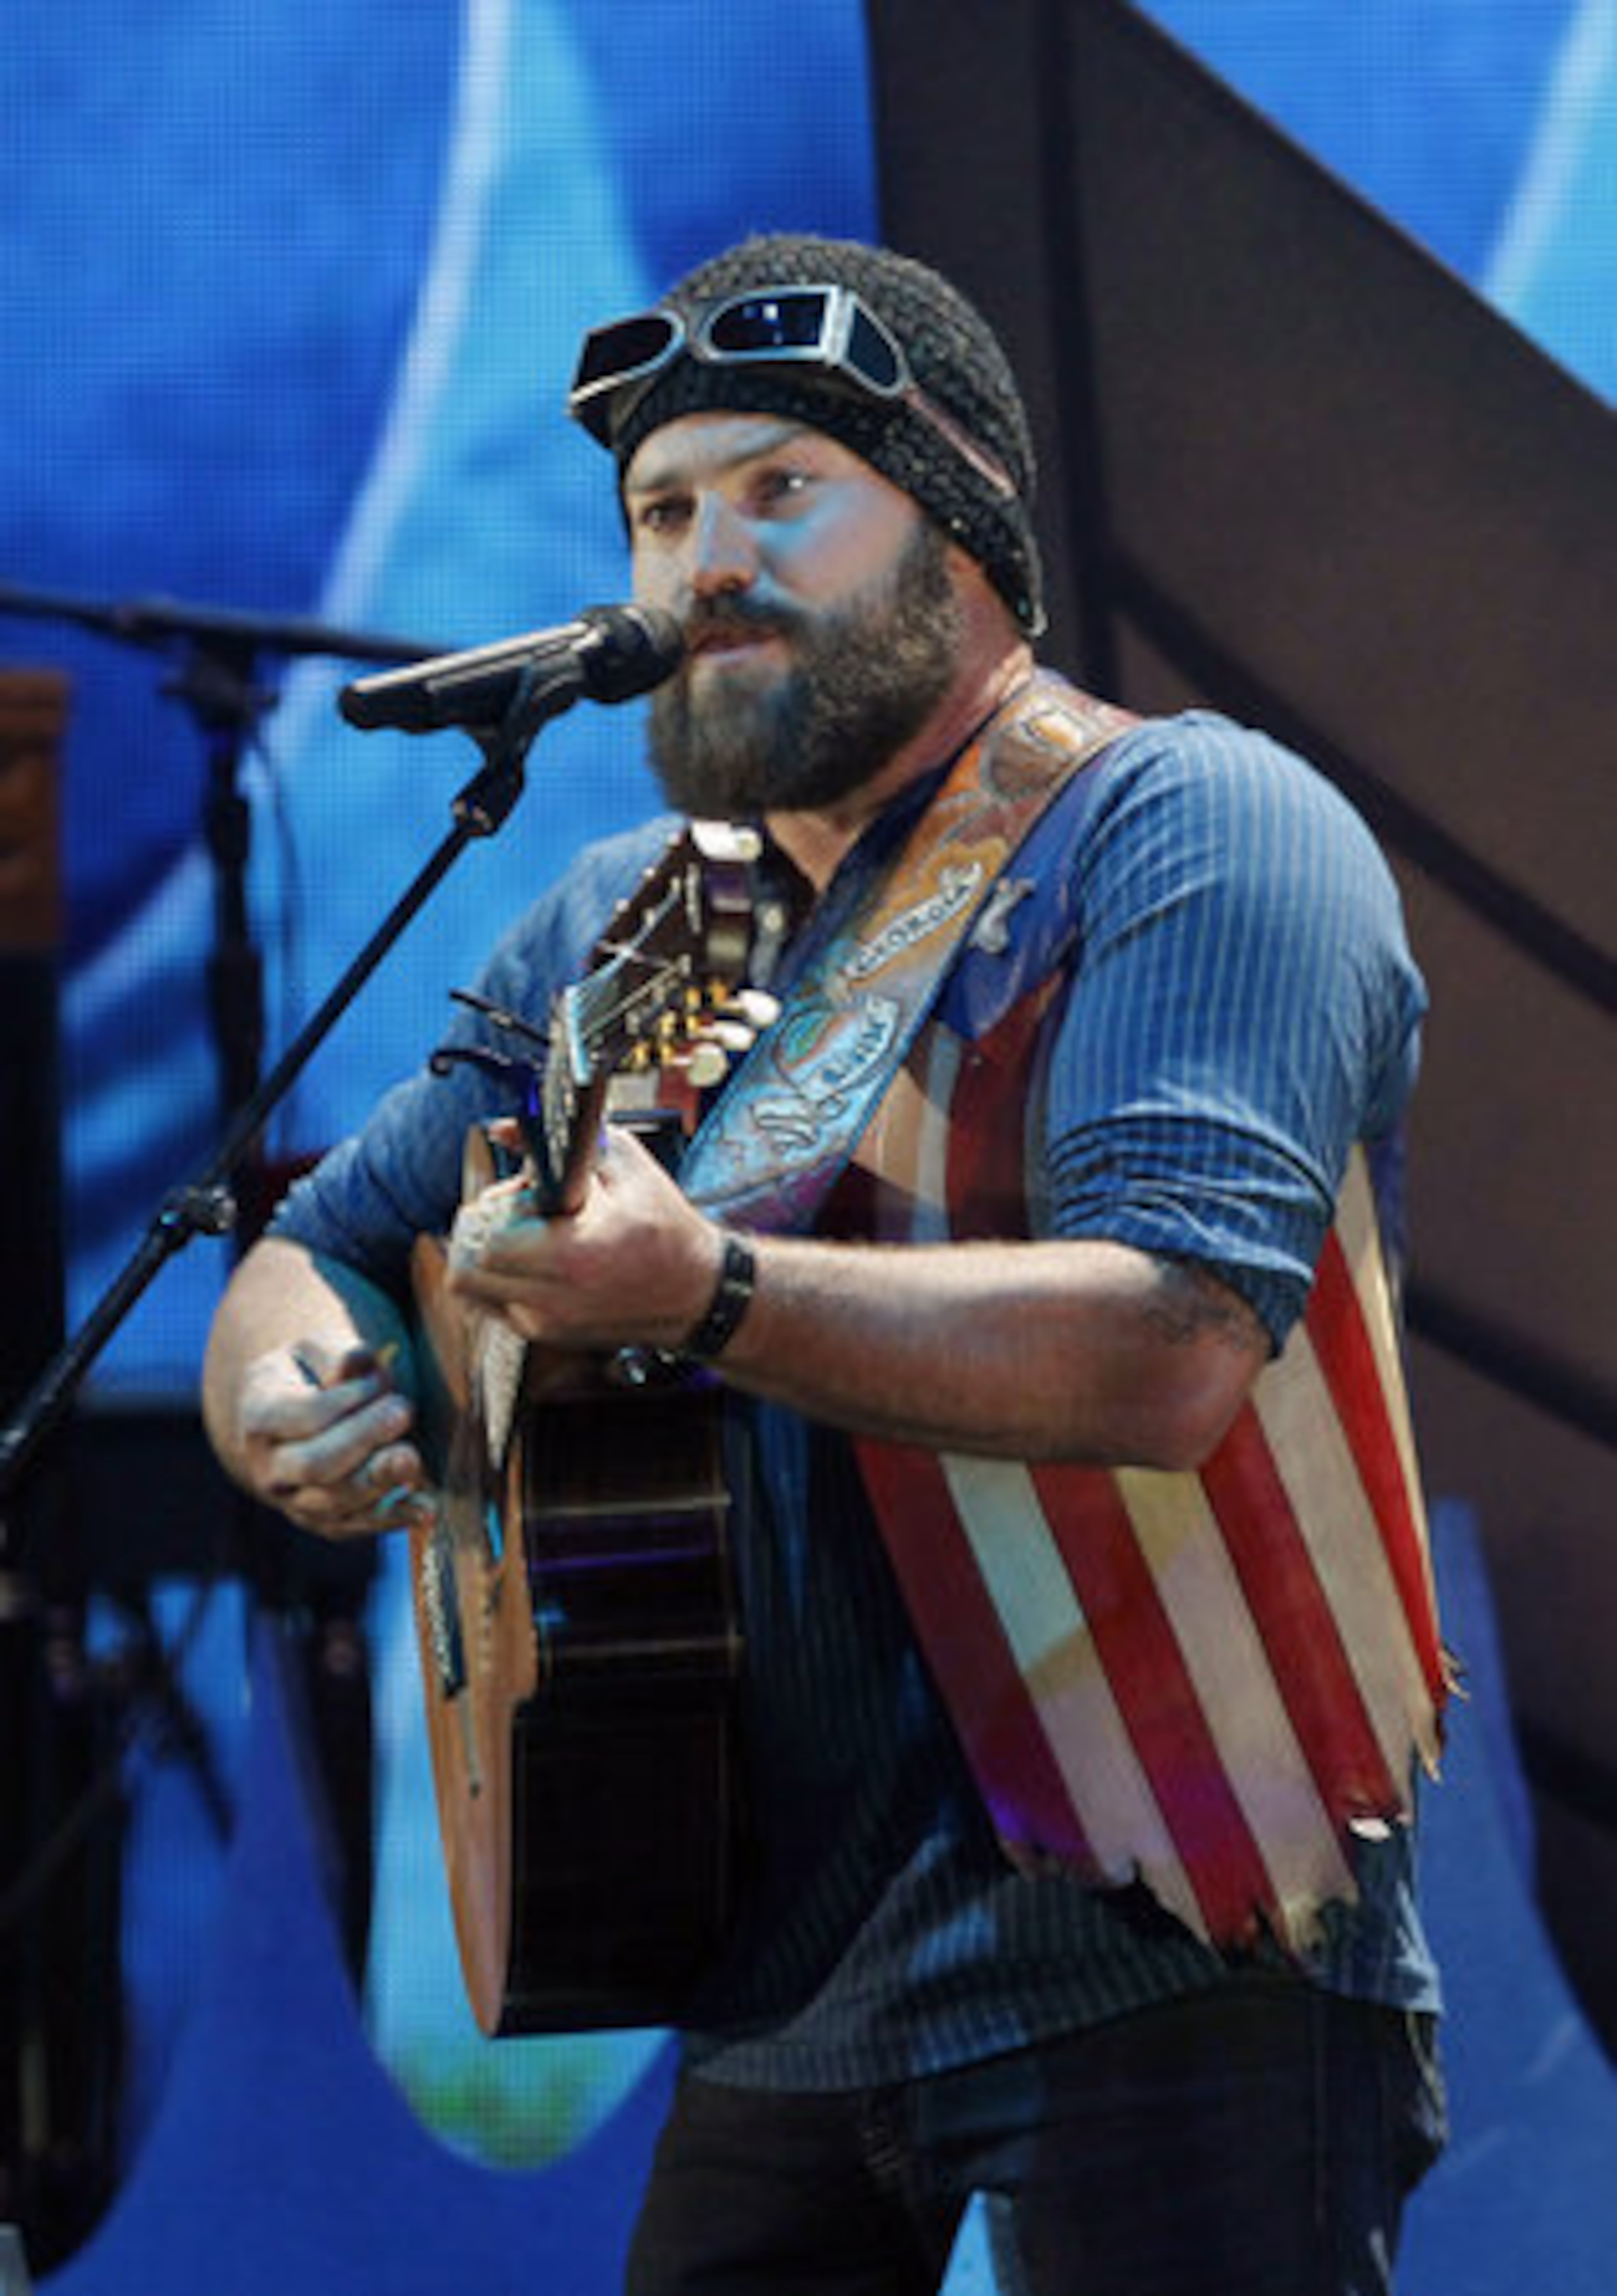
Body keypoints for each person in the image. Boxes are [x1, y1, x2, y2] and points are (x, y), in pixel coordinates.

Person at [202, 233, 1449, 2293]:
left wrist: (704, 1297)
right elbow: (319, 1247)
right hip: (779, 1976)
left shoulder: (1190, 829)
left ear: (960, 530)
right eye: (665, 512)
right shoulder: (633, 921)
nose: (704, 561)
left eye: (783, 489)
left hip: (1176, 1941)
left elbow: (1171, 1345)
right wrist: (293, 1400)